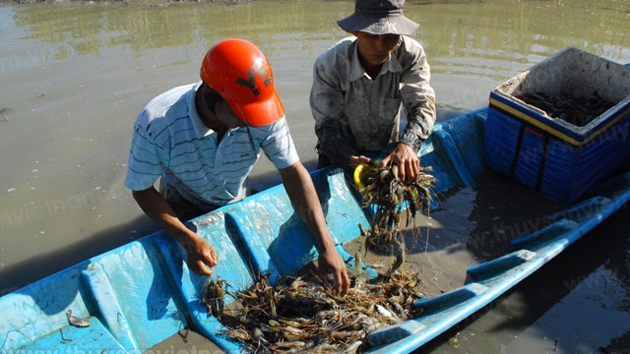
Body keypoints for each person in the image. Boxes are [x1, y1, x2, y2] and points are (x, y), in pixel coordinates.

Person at [125, 38, 350, 295]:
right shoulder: (158, 123)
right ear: (211, 97)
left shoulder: (263, 111)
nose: (252, 121)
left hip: (235, 195)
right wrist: (187, 238)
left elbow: (293, 172)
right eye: (242, 112)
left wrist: (326, 247)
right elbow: (142, 189)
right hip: (181, 200)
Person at [310, 0, 436, 184]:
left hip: (387, 151)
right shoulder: (330, 64)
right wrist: (347, 158)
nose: (380, 47)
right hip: (340, 151)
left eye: (390, 36)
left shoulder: (410, 54)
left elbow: (422, 105)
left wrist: (408, 144)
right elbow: (326, 124)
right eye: (371, 35)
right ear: (356, 32)